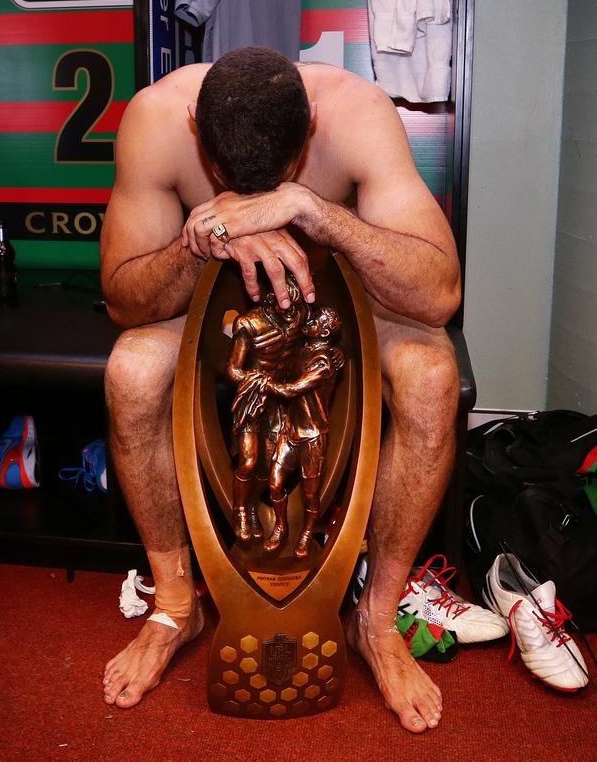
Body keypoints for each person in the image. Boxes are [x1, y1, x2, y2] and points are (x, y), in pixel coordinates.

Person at [100, 46, 461, 733]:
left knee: (432, 374)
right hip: (216, 317)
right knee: (131, 369)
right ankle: (177, 605)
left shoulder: (356, 113)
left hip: (344, 316)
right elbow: (123, 301)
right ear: (196, 135)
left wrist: (318, 215)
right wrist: (198, 239)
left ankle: (376, 622)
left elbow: (439, 294)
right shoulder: (154, 119)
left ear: (313, 128)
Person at [225, 275, 309, 543]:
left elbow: (303, 349)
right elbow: (234, 369)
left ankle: (251, 507)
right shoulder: (249, 323)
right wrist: (257, 380)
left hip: (281, 398)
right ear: (272, 298)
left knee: (271, 461)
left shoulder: (300, 316)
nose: (290, 310)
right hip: (253, 398)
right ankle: (241, 510)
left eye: (294, 304)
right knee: (248, 460)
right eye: (285, 303)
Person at [261, 306, 345, 558]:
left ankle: (308, 531)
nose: (310, 321)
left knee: (310, 494)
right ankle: (281, 525)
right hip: (290, 430)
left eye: (316, 320)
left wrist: (265, 385)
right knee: (274, 484)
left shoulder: (323, 362)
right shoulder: (302, 349)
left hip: (313, 435)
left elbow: (292, 389)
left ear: (326, 330)